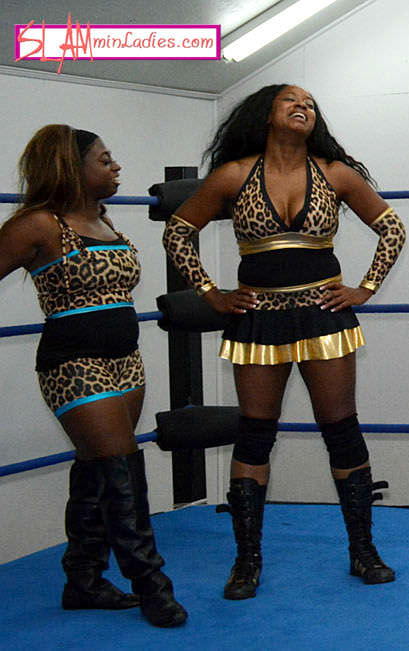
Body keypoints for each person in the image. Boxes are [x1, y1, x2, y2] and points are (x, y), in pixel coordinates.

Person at [164, 84, 407, 599]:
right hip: (259, 320)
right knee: (255, 435)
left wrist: (365, 288)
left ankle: (363, 551)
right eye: (290, 101)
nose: (303, 107)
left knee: (342, 431)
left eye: (310, 104)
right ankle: (246, 561)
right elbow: (178, 232)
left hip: (324, 316)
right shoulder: (234, 174)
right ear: (266, 113)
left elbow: (393, 229)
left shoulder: (335, 173)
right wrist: (210, 294)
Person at [0, 125, 187, 627]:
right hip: (73, 364)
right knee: (121, 468)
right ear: (71, 167)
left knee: (97, 471)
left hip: (126, 361)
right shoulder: (39, 225)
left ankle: (83, 581)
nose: (116, 166)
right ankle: (152, 586)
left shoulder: (105, 220)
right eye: (104, 160)